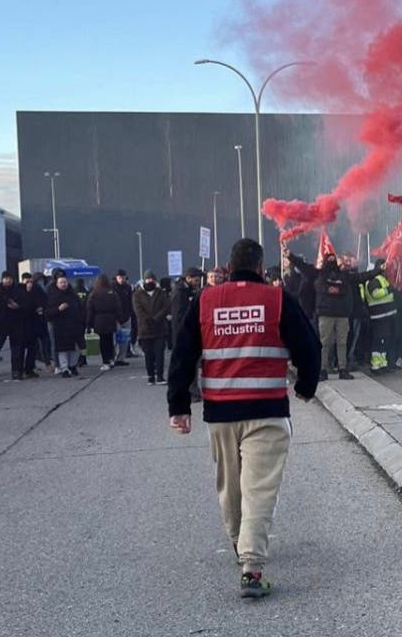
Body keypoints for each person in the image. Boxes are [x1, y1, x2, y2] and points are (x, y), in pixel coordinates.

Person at [167, 238, 321, 599]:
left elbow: (183, 354)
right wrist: (306, 387)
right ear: (260, 266)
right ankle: (252, 568)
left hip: (220, 412)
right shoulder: (277, 299)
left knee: (231, 485)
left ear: (229, 265)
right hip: (267, 410)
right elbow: (309, 346)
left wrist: (179, 407)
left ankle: (239, 542)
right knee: (260, 488)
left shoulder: (205, 300)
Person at [286, 250, 382, 380]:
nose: (331, 261)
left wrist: (379, 270)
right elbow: (302, 265)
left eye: (333, 259)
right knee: (325, 344)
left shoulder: (344, 275)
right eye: (329, 259)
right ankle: (323, 370)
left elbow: (362, 276)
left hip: (341, 315)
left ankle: (342, 369)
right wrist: (290, 256)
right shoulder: (318, 273)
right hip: (326, 314)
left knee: (342, 343)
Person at [361, 257, 396, 374]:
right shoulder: (374, 280)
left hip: (386, 315)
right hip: (378, 315)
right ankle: (375, 365)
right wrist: (388, 289)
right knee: (378, 340)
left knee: (384, 339)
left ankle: (382, 363)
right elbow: (375, 293)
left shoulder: (382, 279)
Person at [133, 270, 169, 385]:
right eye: (148, 279)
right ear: (144, 280)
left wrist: (156, 318)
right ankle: (151, 376)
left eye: (152, 279)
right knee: (148, 355)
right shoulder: (137, 294)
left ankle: (160, 376)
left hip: (160, 328)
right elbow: (138, 310)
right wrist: (147, 320)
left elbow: (166, 307)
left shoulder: (161, 293)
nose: (150, 281)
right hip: (145, 329)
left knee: (159, 354)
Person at [47, 274, 84, 377]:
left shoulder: (73, 294)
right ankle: (64, 368)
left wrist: (82, 321)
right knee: (62, 349)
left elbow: (80, 308)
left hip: (74, 325)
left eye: (65, 282)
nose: (63, 284)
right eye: (61, 282)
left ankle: (72, 365)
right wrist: (58, 309)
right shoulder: (53, 296)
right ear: (57, 284)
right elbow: (48, 313)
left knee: (75, 348)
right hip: (60, 326)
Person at [0, 271, 26, 380]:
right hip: (1, 323)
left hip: (16, 322)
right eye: (6, 278)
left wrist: (18, 306)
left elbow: (25, 303)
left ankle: (16, 371)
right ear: (2, 279)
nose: (8, 280)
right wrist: (6, 303)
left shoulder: (18, 289)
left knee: (16, 348)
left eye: (10, 278)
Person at [87, 274, 121, 371]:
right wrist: (119, 319)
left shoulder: (94, 294)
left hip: (99, 320)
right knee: (110, 340)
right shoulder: (113, 293)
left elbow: (90, 310)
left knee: (102, 342)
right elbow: (118, 307)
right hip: (111, 319)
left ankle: (105, 361)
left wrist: (89, 324)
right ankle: (111, 359)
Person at [18, 273, 43, 378]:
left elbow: (41, 302)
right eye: (27, 282)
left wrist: (40, 307)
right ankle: (19, 370)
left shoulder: (36, 291)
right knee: (20, 349)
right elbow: (20, 306)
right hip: (21, 324)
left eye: (31, 282)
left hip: (33, 323)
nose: (29, 284)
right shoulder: (18, 291)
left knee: (33, 348)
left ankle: (29, 369)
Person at [111, 270, 134, 366]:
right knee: (114, 340)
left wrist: (130, 313)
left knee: (124, 339)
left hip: (126, 316)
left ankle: (121, 358)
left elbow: (131, 301)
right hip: (115, 318)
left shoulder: (128, 288)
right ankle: (113, 357)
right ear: (116, 278)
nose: (121, 279)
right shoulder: (112, 288)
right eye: (120, 278)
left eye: (123, 278)